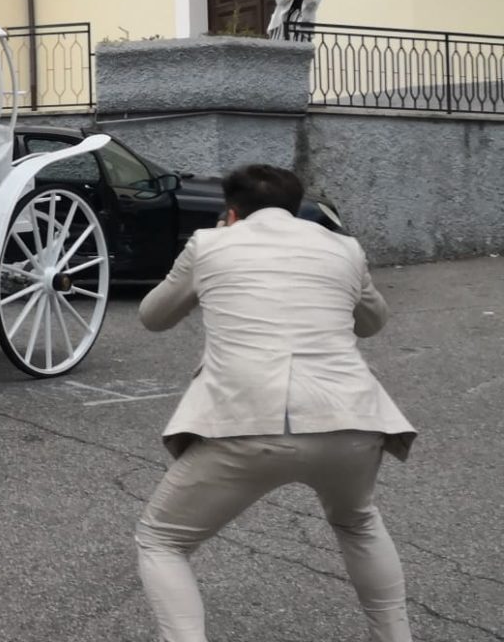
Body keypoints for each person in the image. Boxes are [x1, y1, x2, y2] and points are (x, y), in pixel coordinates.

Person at [135, 164, 416, 642]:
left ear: (232, 210)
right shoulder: (343, 247)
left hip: (243, 422)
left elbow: (153, 316)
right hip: (350, 419)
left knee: (162, 539)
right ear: (296, 207)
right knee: (358, 522)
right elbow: (372, 323)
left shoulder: (209, 244)